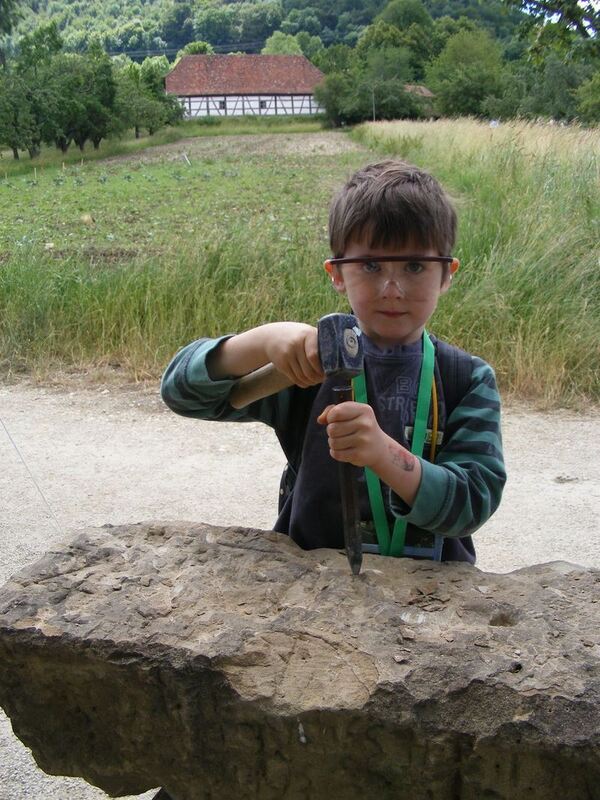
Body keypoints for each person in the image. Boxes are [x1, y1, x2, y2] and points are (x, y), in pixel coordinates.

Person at [160, 160, 506, 563]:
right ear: (336, 274)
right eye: (371, 265)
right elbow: (182, 395)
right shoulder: (307, 366)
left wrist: (383, 454)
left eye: (414, 266)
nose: (392, 289)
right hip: (309, 590)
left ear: (447, 274)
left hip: (431, 599)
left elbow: (473, 503)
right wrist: (261, 342)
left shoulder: (466, 378)